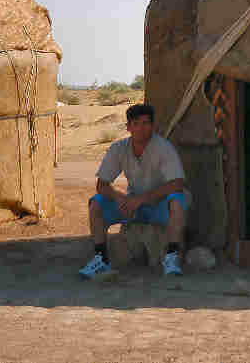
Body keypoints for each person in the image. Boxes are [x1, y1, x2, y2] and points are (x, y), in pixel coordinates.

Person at [78, 103, 191, 278]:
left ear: (153, 126)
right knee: (96, 202)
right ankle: (101, 259)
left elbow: (177, 183)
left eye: (146, 123)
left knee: (178, 200)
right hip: (132, 205)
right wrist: (119, 197)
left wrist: (143, 199)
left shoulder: (164, 148)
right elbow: (102, 185)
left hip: (159, 205)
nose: (141, 128)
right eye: (136, 123)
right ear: (128, 127)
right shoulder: (118, 149)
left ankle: (171, 256)